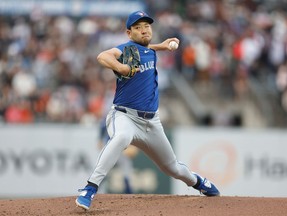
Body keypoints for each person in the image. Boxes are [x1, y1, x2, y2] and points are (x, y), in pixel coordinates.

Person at [76, 11, 220, 210]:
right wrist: (122, 67)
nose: (144, 30)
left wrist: (161, 46)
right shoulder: (126, 49)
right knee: (120, 138)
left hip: (152, 123)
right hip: (124, 116)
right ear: (129, 32)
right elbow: (103, 56)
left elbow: (147, 48)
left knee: (173, 168)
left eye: (147, 26)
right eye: (138, 27)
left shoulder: (149, 50)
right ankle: (90, 188)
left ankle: (198, 182)